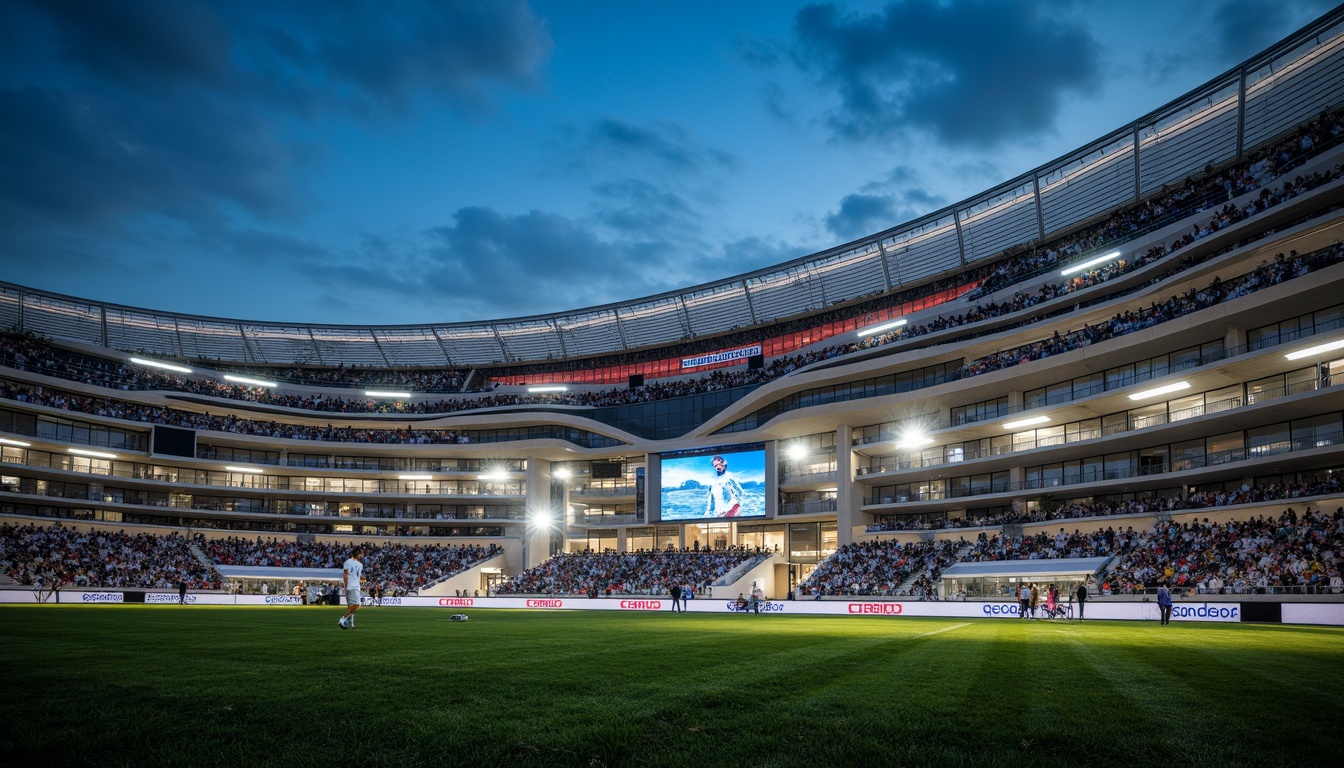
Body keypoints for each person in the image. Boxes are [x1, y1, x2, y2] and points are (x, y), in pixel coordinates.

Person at [338, 547, 365, 630]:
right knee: (356, 605)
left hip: (355, 586)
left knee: (351, 606)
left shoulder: (356, 564)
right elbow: (346, 575)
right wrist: (346, 586)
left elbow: (352, 575)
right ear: (358, 554)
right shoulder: (351, 563)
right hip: (353, 587)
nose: (363, 555)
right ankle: (343, 619)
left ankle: (350, 623)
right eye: (362, 553)